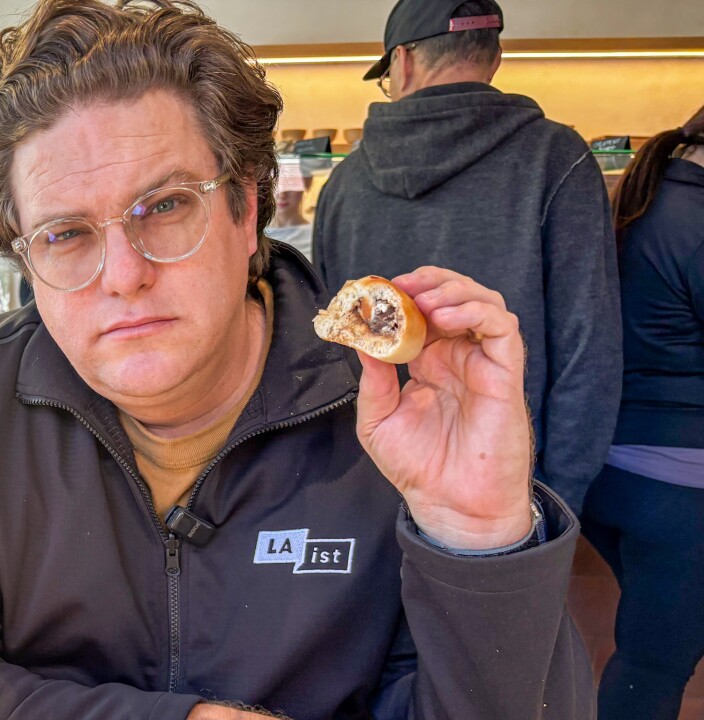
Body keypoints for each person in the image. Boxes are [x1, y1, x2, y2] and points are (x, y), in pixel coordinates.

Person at [0, 2, 593, 719]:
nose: (122, 274)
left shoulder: (398, 415)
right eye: (65, 234)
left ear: (246, 210)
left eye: (167, 206)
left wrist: (481, 541)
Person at [313, 0, 622, 515]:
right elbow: (589, 346)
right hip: (509, 485)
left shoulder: (343, 182)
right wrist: (559, 497)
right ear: (494, 57)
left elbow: (328, 341)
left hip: (368, 473)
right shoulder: (557, 159)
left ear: (403, 62)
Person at [580, 105, 704, 720]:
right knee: (652, 666)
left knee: (657, 631)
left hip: (607, 469)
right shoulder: (697, 219)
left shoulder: (644, 198)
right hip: (680, 489)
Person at [265, 177, 313, 262]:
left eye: (292, 184)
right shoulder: (256, 233)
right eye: (276, 184)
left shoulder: (314, 236)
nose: (282, 194)